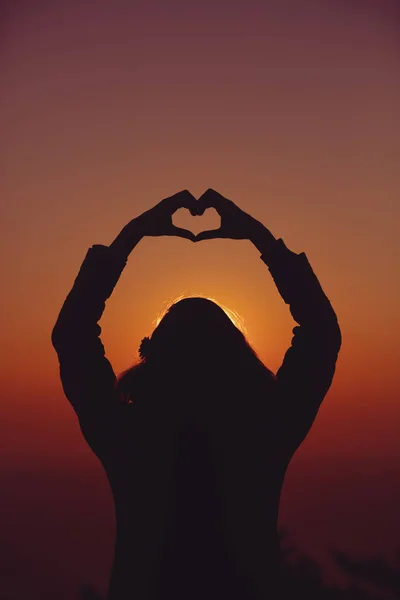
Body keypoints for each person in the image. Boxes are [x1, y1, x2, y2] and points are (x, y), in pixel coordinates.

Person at [51, 189, 341, 600]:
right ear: (239, 355)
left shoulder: (127, 436)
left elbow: (73, 336)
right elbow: (322, 335)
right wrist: (259, 238)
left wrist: (130, 238)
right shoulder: (266, 432)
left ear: (153, 359)